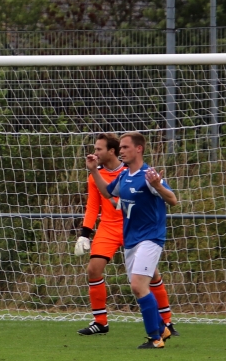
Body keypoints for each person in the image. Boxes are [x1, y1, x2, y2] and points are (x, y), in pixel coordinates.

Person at [75, 133, 178, 337]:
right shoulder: (103, 176)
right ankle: (100, 322)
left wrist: (157, 186)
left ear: (111, 151)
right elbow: (95, 203)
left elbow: (171, 200)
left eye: (99, 149)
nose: (95, 153)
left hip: (135, 228)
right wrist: (84, 233)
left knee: (149, 276)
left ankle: (166, 323)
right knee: (94, 269)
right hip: (108, 228)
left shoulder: (137, 172)